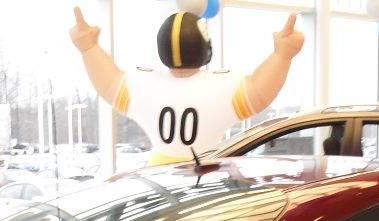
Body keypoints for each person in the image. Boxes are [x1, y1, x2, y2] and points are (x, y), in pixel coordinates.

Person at [69, 7, 305, 165]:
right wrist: (282, 55)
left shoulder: (142, 85)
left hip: (158, 176)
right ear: (206, 46)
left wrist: (89, 48)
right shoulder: (223, 87)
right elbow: (260, 94)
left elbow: (108, 84)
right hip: (206, 175)